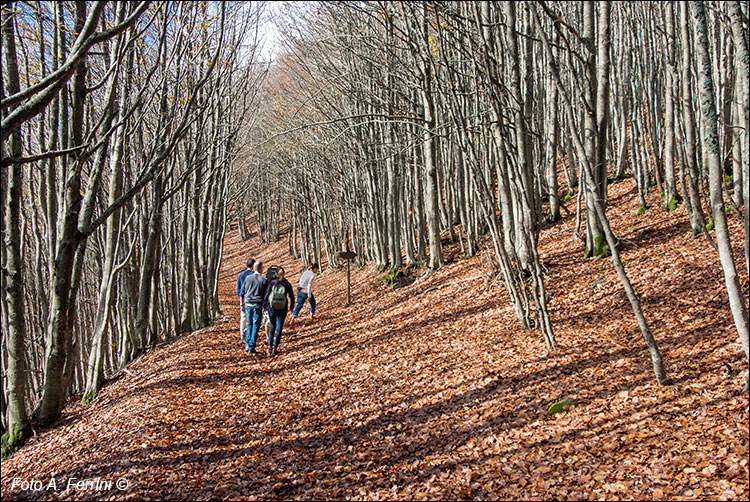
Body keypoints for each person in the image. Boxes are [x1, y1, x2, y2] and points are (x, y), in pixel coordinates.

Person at [262, 266, 295, 356]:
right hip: (282, 308)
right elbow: (291, 296)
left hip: (272, 307)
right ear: (283, 274)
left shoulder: (272, 282)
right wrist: (291, 307)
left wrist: (265, 306)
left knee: (272, 326)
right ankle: (275, 348)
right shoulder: (287, 283)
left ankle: (270, 346)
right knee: (279, 328)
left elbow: (267, 294)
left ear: (276, 274)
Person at [240, 261, 268, 354]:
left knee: (249, 324)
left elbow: (242, 292)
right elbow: (266, 295)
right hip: (257, 304)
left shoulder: (247, 278)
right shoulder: (263, 280)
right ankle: (251, 345)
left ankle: (247, 344)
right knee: (256, 325)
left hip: (248, 303)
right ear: (260, 269)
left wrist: (242, 304)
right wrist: (265, 306)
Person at [290, 263, 319, 327]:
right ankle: (312, 315)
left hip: (300, 291)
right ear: (315, 268)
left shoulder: (305, 272)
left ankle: (292, 319)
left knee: (299, 305)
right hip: (306, 292)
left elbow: (301, 281)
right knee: (313, 303)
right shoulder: (312, 275)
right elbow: (309, 285)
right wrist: (309, 295)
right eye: (317, 269)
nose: (317, 271)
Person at [236, 258, 255, 343]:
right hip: (253, 299)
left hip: (243, 299)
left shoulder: (241, 275)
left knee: (243, 317)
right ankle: (251, 334)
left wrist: (241, 299)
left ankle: (242, 335)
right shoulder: (254, 275)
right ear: (253, 266)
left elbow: (238, 288)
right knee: (252, 318)